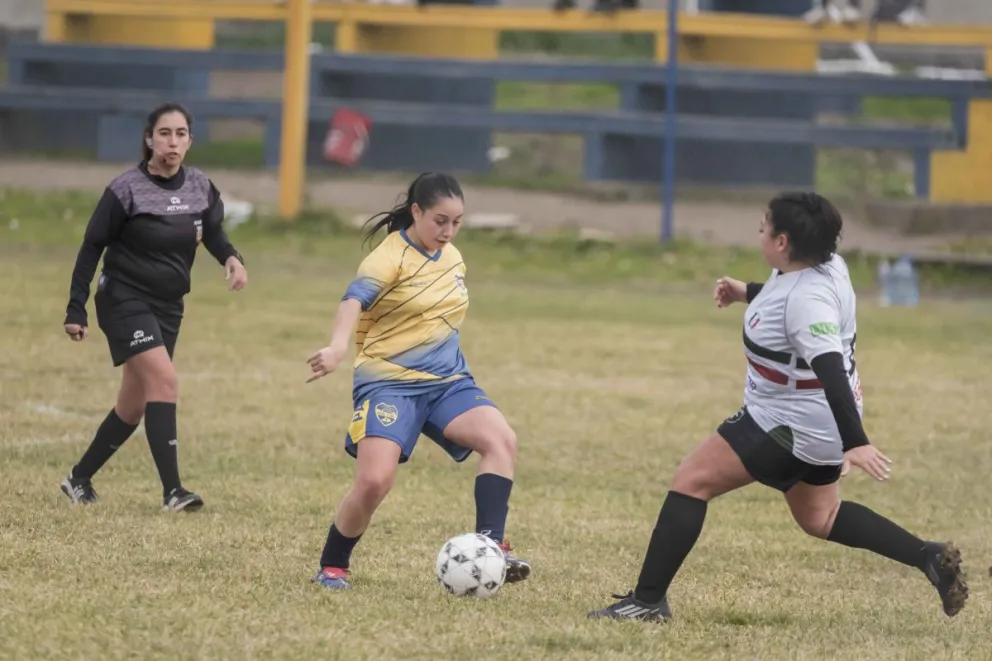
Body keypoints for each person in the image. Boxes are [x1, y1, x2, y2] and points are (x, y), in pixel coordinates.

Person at [588, 192, 968, 622]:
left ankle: (647, 601)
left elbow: (828, 366)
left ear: (783, 241)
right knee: (821, 517)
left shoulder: (806, 303)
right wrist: (746, 291)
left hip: (789, 422)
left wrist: (856, 443)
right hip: (814, 422)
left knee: (690, 481)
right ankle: (927, 557)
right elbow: (785, 298)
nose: (760, 232)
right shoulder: (827, 266)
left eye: (764, 227)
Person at [305, 172, 530, 590]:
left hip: (447, 381)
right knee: (374, 482)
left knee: (501, 441)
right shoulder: (386, 258)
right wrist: (337, 348)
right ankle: (334, 564)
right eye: (439, 220)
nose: (448, 231)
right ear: (416, 212)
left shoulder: (453, 257)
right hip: (388, 383)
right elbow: (353, 300)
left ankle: (491, 547)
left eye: (457, 222)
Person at [60, 102, 248, 512]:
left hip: (168, 306)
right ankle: (173, 492)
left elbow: (212, 232)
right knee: (164, 381)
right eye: (164, 133)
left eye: (181, 134)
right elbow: (92, 246)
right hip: (124, 299)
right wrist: (77, 308)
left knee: (134, 404)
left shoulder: (199, 186)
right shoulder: (126, 189)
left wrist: (231, 258)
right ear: (149, 139)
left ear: (190, 141)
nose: (172, 141)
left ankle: (78, 478)